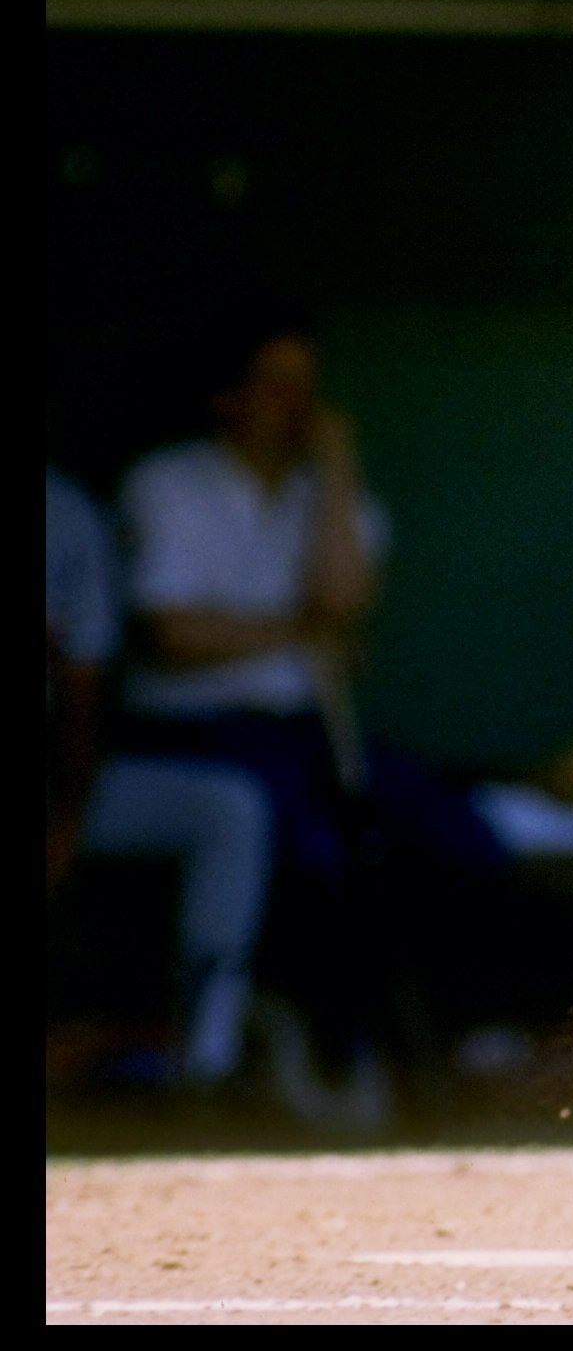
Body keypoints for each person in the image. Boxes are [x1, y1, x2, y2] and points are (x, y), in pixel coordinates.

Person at [116, 297, 507, 1124]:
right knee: (318, 856)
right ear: (227, 398)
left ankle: (464, 1047)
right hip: (197, 735)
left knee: (458, 836)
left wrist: (336, 466)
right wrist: (300, 632)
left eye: (308, 387)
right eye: (275, 385)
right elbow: (174, 632)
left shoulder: (328, 490)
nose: (298, 406)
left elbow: (345, 599)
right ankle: (303, 1055)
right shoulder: (167, 483)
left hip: (307, 732)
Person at [48, 465, 273, 1091]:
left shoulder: (64, 515)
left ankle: (205, 1058)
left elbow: (81, 690)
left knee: (227, 808)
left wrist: (65, 819)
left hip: (57, 783)